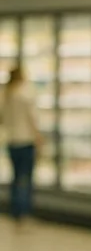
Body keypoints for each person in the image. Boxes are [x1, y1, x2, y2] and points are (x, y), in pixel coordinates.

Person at [2, 66, 42, 224]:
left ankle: (15, 210)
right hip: (25, 140)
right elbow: (32, 118)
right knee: (25, 177)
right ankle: (24, 212)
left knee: (16, 176)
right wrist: (38, 137)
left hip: (11, 140)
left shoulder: (5, 95)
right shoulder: (24, 94)